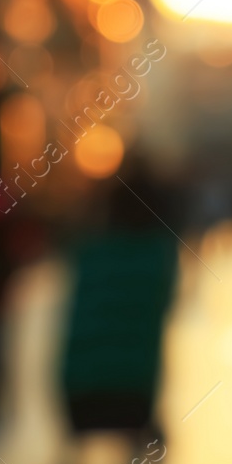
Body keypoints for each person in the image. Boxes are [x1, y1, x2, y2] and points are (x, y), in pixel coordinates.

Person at [59, 165, 179, 448]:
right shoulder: (157, 255)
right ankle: (141, 424)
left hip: (82, 391)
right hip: (135, 389)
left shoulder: (91, 253)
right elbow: (165, 304)